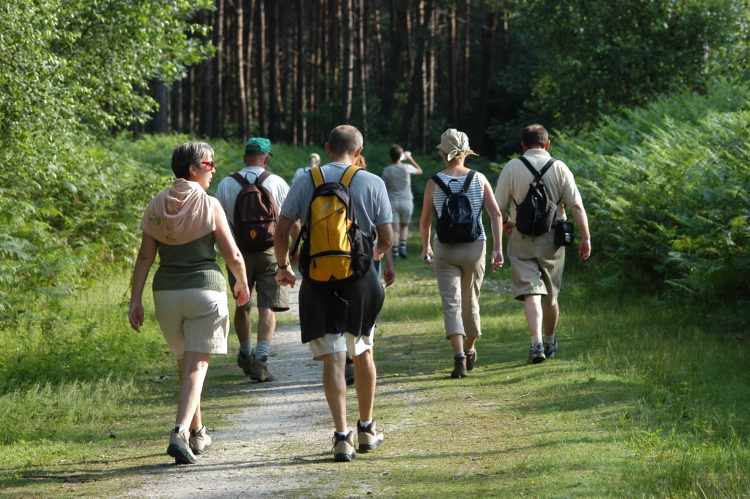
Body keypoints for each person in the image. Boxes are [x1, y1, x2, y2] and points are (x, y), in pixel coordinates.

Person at [274, 125, 394, 462]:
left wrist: (284, 266)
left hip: (317, 276)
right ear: (359, 150)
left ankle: (342, 437)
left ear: (327, 148)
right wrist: (375, 255)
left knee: (332, 357)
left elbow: (282, 229)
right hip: (359, 275)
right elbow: (387, 237)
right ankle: (367, 429)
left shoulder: (306, 180)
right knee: (363, 351)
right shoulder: (372, 182)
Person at [128, 142, 250, 465]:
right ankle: (180, 432)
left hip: (165, 294)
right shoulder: (209, 205)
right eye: (209, 165)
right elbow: (233, 254)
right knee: (196, 365)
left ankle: (198, 433)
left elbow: (144, 256)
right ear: (194, 169)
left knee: (185, 364)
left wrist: (135, 299)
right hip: (204, 291)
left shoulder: (156, 204)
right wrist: (242, 283)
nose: (213, 170)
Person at [494, 124, 591, 364]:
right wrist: (586, 237)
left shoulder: (512, 167)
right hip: (553, 239)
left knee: (531, 293)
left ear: (523, 145)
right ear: (547, 144)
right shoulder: (559, 167)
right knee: (551, 297)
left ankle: (535, 343)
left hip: (521, 237)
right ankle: (549, 341)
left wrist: (507, 221)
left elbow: (497, 206)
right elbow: (576, 206)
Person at [419, 129, 503, 378]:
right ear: (466, 152)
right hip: (475, 246)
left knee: (451, 302)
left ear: (443, 154)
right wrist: (498, 249)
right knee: (471, 300)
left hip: (445, 247)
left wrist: (426, 248)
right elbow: (496, 214)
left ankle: (457, 356)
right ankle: (469, 350)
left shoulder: (434, 182)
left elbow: (425, 222)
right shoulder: (479, 178)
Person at [215, 137, 298, 382]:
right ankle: (261, 361)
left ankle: (245, 352)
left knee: (242, 304)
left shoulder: (226, 184)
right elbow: (290, 221)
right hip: (271, 251)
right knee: (267, 306)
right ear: (267, 157)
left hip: (237, 253)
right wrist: (295, 251)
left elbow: (219, 223)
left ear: (245, 157)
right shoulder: (277, 182)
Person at [381, 144, 423, 259]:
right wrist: (410, 158)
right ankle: (403, 248)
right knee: (404, 226)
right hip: (406, 201)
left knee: (394, 228)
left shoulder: (387, 170)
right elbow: (420, 171)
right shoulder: (406, 167)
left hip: (392, 201)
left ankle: (394, 251)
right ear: (401, 155)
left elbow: (384, 186)